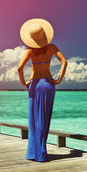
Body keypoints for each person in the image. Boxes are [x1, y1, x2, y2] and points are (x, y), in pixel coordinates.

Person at [18, 18, 67, 162]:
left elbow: (19, 68)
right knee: (43, 119)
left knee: (33, 119)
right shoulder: (52, 47)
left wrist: (23, 83)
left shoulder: (30, 51)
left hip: (34, 85)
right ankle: (41, 153)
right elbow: (64, 62)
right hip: (47, 84)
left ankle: (33, 153)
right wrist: (59, 80)